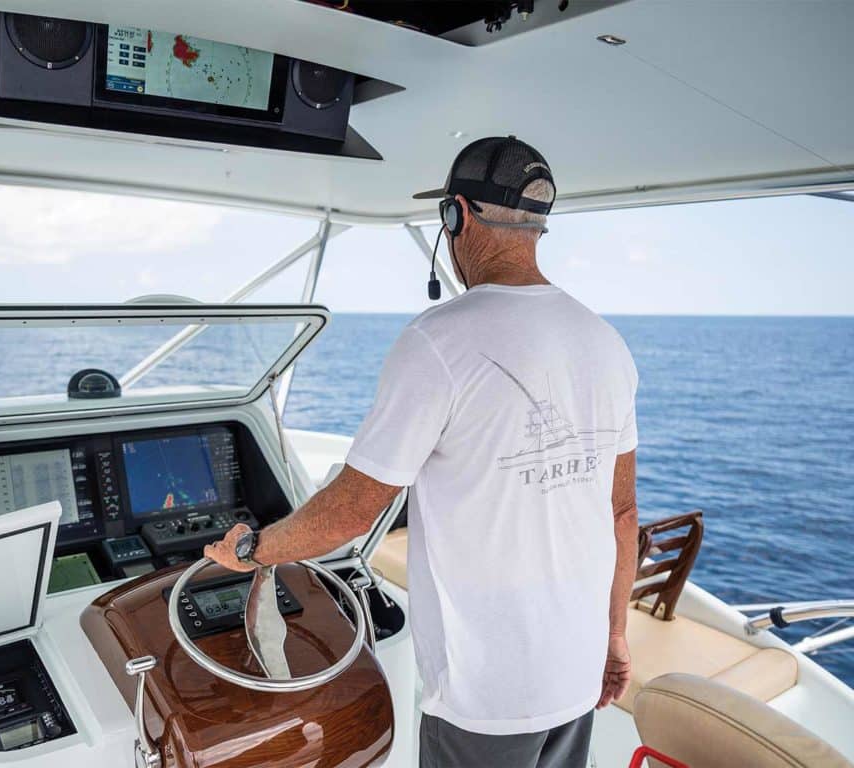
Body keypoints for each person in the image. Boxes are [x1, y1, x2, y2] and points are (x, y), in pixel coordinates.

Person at [204, 136, 639, 768]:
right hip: (576, 673)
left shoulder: (438, 340)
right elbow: (621, 515)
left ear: (455, 215)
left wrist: (251, 551)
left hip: (485, 696)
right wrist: (616, 636)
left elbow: (355, 509)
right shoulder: (606, 343)